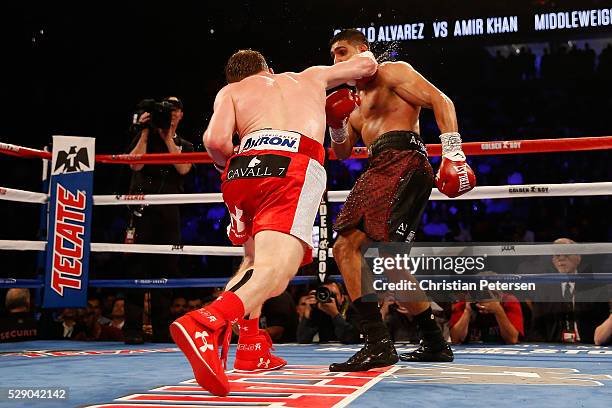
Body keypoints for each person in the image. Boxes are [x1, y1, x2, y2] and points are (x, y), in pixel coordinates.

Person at [169, 48, 377, 396]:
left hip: (241, 170)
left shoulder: (231, 92)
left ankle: (250, 347)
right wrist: (360, 57)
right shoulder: (309, 75)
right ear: (269, 68)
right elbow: (366, 64)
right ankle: (205, 323)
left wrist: (229, 165)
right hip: (293, 164)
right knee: (278, 271)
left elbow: (215, 141)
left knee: (254, 260)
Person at [325, 29, 476, 371]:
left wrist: (453, 153)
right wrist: (335, 122)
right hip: (381, 164)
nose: (336, 61)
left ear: (363, 51)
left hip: (402, 158)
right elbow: (343, 151)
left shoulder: (392, 71)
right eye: (333, 55)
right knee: (392, 261)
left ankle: (377, 344)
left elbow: (442, 100)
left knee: (345, 248)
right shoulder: (354, 103)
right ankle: (435, 342)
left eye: (342, 51)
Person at [123, 96, 193, 344]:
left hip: (168, 214)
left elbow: (183, 168)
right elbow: (135, 166)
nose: (170, 112)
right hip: (141, 211)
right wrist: (144, 131)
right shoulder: (144, 139)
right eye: (165, 108)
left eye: (174, 108)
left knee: (166, 269)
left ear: (180, 114)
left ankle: (162, 330)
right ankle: (132, 329)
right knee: (136, 269)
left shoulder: (184, 143)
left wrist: (167, 137)